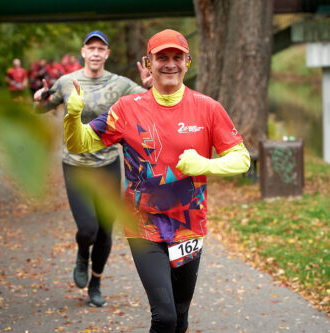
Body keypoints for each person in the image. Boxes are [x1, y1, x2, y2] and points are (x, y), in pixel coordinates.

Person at [63, 29, 250, 332]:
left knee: (180, 316)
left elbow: (241, 159)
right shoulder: (127, 108)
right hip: (143, 226)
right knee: (163, 317)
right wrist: (73, 116)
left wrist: (204, 163)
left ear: (188, 62)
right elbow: (80, 143)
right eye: (161, 57)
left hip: (189, 226)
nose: (170, 64)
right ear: (148, 63)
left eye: (177, 57)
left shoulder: (208, 108)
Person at [34, 30, 152, 307]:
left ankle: (95, 284)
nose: (96, 52)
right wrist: (38, 98)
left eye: (101, 48)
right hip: (76, 164)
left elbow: (150, 101)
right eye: (91, 48)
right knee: (88, 228)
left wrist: (149, 86)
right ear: (84, 52)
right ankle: (81, 252)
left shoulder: (121, 84)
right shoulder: (66, 82)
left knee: (106, 231)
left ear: (107, 54)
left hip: (109, 163)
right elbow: (42, 106)